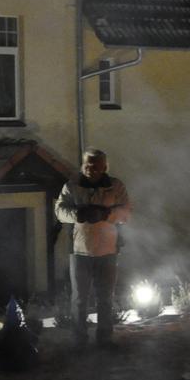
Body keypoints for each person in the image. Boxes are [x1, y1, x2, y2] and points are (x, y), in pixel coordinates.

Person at [54, 148, 132, 347]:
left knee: (105, 298)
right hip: (80, 252)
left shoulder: (115, 186)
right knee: (79, 300)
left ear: (105, 167)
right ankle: (79, 340)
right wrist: (77, 215)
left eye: (96, 166)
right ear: (83, 165)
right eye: (87, 165)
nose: (91, 169)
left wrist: (106, 215)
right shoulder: (72, 186)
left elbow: (126, 213)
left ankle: (104, 339)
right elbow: (60, 211)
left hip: (108, 251)